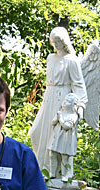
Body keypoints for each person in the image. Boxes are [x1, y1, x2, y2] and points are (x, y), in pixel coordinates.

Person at [29, 27, 87, 175]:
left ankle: (56, 173)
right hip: (49, 97)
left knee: (57, 139)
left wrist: (79, 108)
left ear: (64, 41)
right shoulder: (50, 58)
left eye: (59, 40)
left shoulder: (72, 60)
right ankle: (42, 170)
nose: (56, 44)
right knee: (35, 132)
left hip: (63, 101)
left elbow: (78, 84)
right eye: (53, 41)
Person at [48, 93, 79, 182]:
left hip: (66, 140)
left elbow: (66, 126)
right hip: (56, 138)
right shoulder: (60, 112)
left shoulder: (73, 115)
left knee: (65, 158)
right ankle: (52, 173)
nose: (65, 102)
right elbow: (53, 123)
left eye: (68, 101)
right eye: (65, 100)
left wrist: (60, 118)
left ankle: (65, 175)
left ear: (73, 105)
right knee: (52, 154)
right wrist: (56, 118)